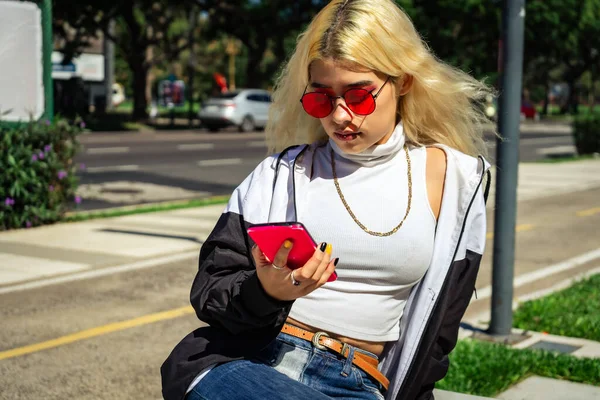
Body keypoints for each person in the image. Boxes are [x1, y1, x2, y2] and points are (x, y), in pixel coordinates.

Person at [161, 0, 493, 399]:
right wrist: (266, 292)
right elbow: (211, 290)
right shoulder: (279, 174)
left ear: (403, 81)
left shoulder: (455, 179)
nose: (338, 116)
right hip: (250, 364)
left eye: (358, 97)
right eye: (322, 99)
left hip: (358, 381)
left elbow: (439, 331)